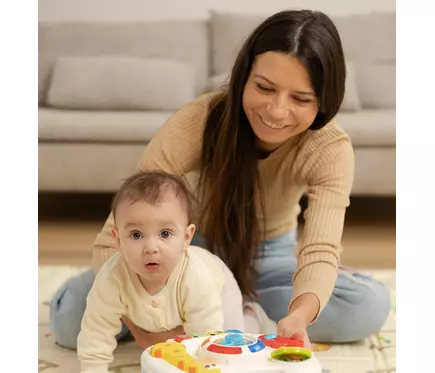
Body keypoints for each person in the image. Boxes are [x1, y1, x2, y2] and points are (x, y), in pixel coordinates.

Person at [51, 9, 390, 353]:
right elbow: (121, 229)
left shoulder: (329, 147)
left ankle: (234, 308)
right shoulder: (198, 121)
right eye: (264, 87)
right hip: (186, 248)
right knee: (68, 320)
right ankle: (221, 310)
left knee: (369, 306)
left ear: (323, 103)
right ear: (244, 77)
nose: (276, 111)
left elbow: (320, 247)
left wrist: (300, 314)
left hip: (271, 257)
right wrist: (143, 329)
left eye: (300, 99)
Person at [64, 170, 271, 373]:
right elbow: (97, 325)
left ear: (186, 237)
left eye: (165, 233)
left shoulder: (197, 278)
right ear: (117, 238)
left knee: (232, 347)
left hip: (219, 291)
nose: (151, 247)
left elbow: (205, 334)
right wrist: (93, 372)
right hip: (167, 314)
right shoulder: (112, 278)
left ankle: (251, 315)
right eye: (136, 235)